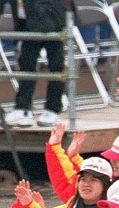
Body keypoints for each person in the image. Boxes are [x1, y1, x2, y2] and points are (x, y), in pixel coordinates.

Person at [6, 0, 67, 128]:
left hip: (51, 20)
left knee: (56, 66)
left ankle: (52, 108)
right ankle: (23, 108)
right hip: (26, 22)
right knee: (26, 64)